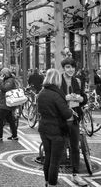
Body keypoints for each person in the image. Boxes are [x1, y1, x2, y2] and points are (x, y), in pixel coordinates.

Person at [37, 68, 73, 187]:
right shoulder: (56, 94)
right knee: (55, 160)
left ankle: (47, 181)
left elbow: (39, 110)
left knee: (48, 156)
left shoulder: (41, 92)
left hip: (43, 128)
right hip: (57, 129)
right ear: (57, 79)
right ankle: (52, 183)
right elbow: (66, 114)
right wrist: (70, 110)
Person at [60, 57, 88, 186]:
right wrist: (64, 98)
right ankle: (52, 176)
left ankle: (75, 174)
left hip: (74, 118)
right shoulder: (58, 80)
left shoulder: (77, 80)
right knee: (58, 146)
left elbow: (84, 97)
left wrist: (81, 98)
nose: (70, 70)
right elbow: (52, 97)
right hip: (60, 118)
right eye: (67, 67)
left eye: (72, 67)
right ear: (63, 68)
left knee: (75, 147)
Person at [0, 67, 19, 142]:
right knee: (10, 120)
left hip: (6, 104)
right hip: (5, 103)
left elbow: (5, 89)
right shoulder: (8, 80)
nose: (0, 75)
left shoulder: (10, 80)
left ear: (5, 74)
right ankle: (14, 135)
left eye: (2, 74)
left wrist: (0, 81)